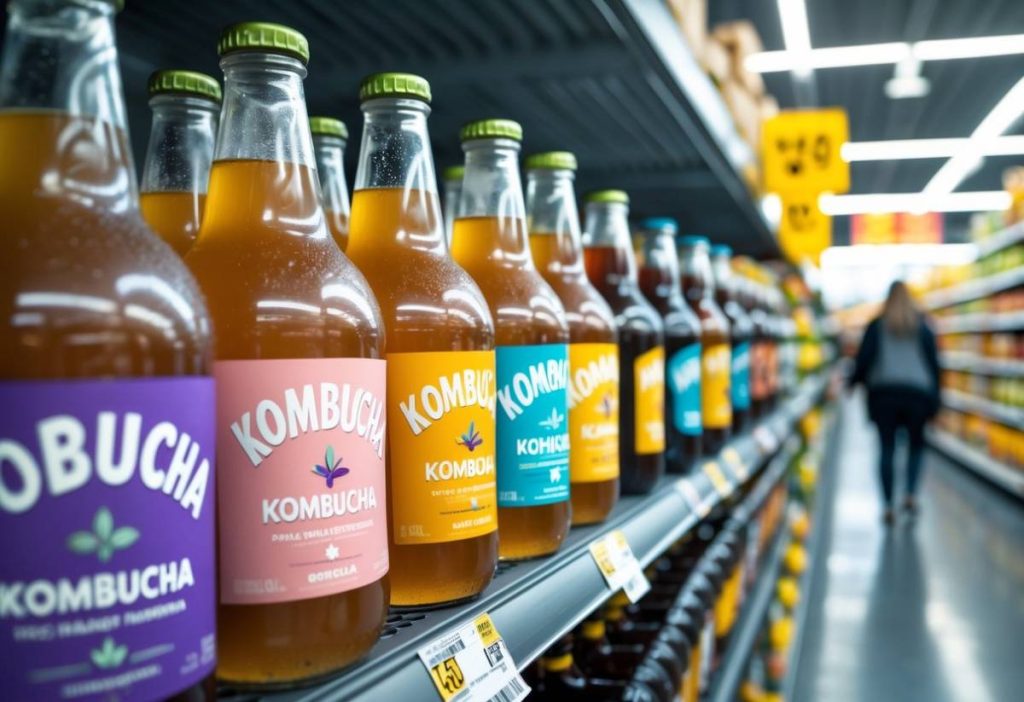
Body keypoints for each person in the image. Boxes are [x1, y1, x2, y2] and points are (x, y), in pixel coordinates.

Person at [849, 281, 941, 524]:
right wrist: (936, 400)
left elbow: (864, 359)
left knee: (886, 448)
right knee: (916, 446)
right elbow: (934, 365)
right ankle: (910, 493)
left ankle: (888, 505)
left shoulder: (877, 326)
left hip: (884, 395)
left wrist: (852, 383)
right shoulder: (923, 326)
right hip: (918, 395)